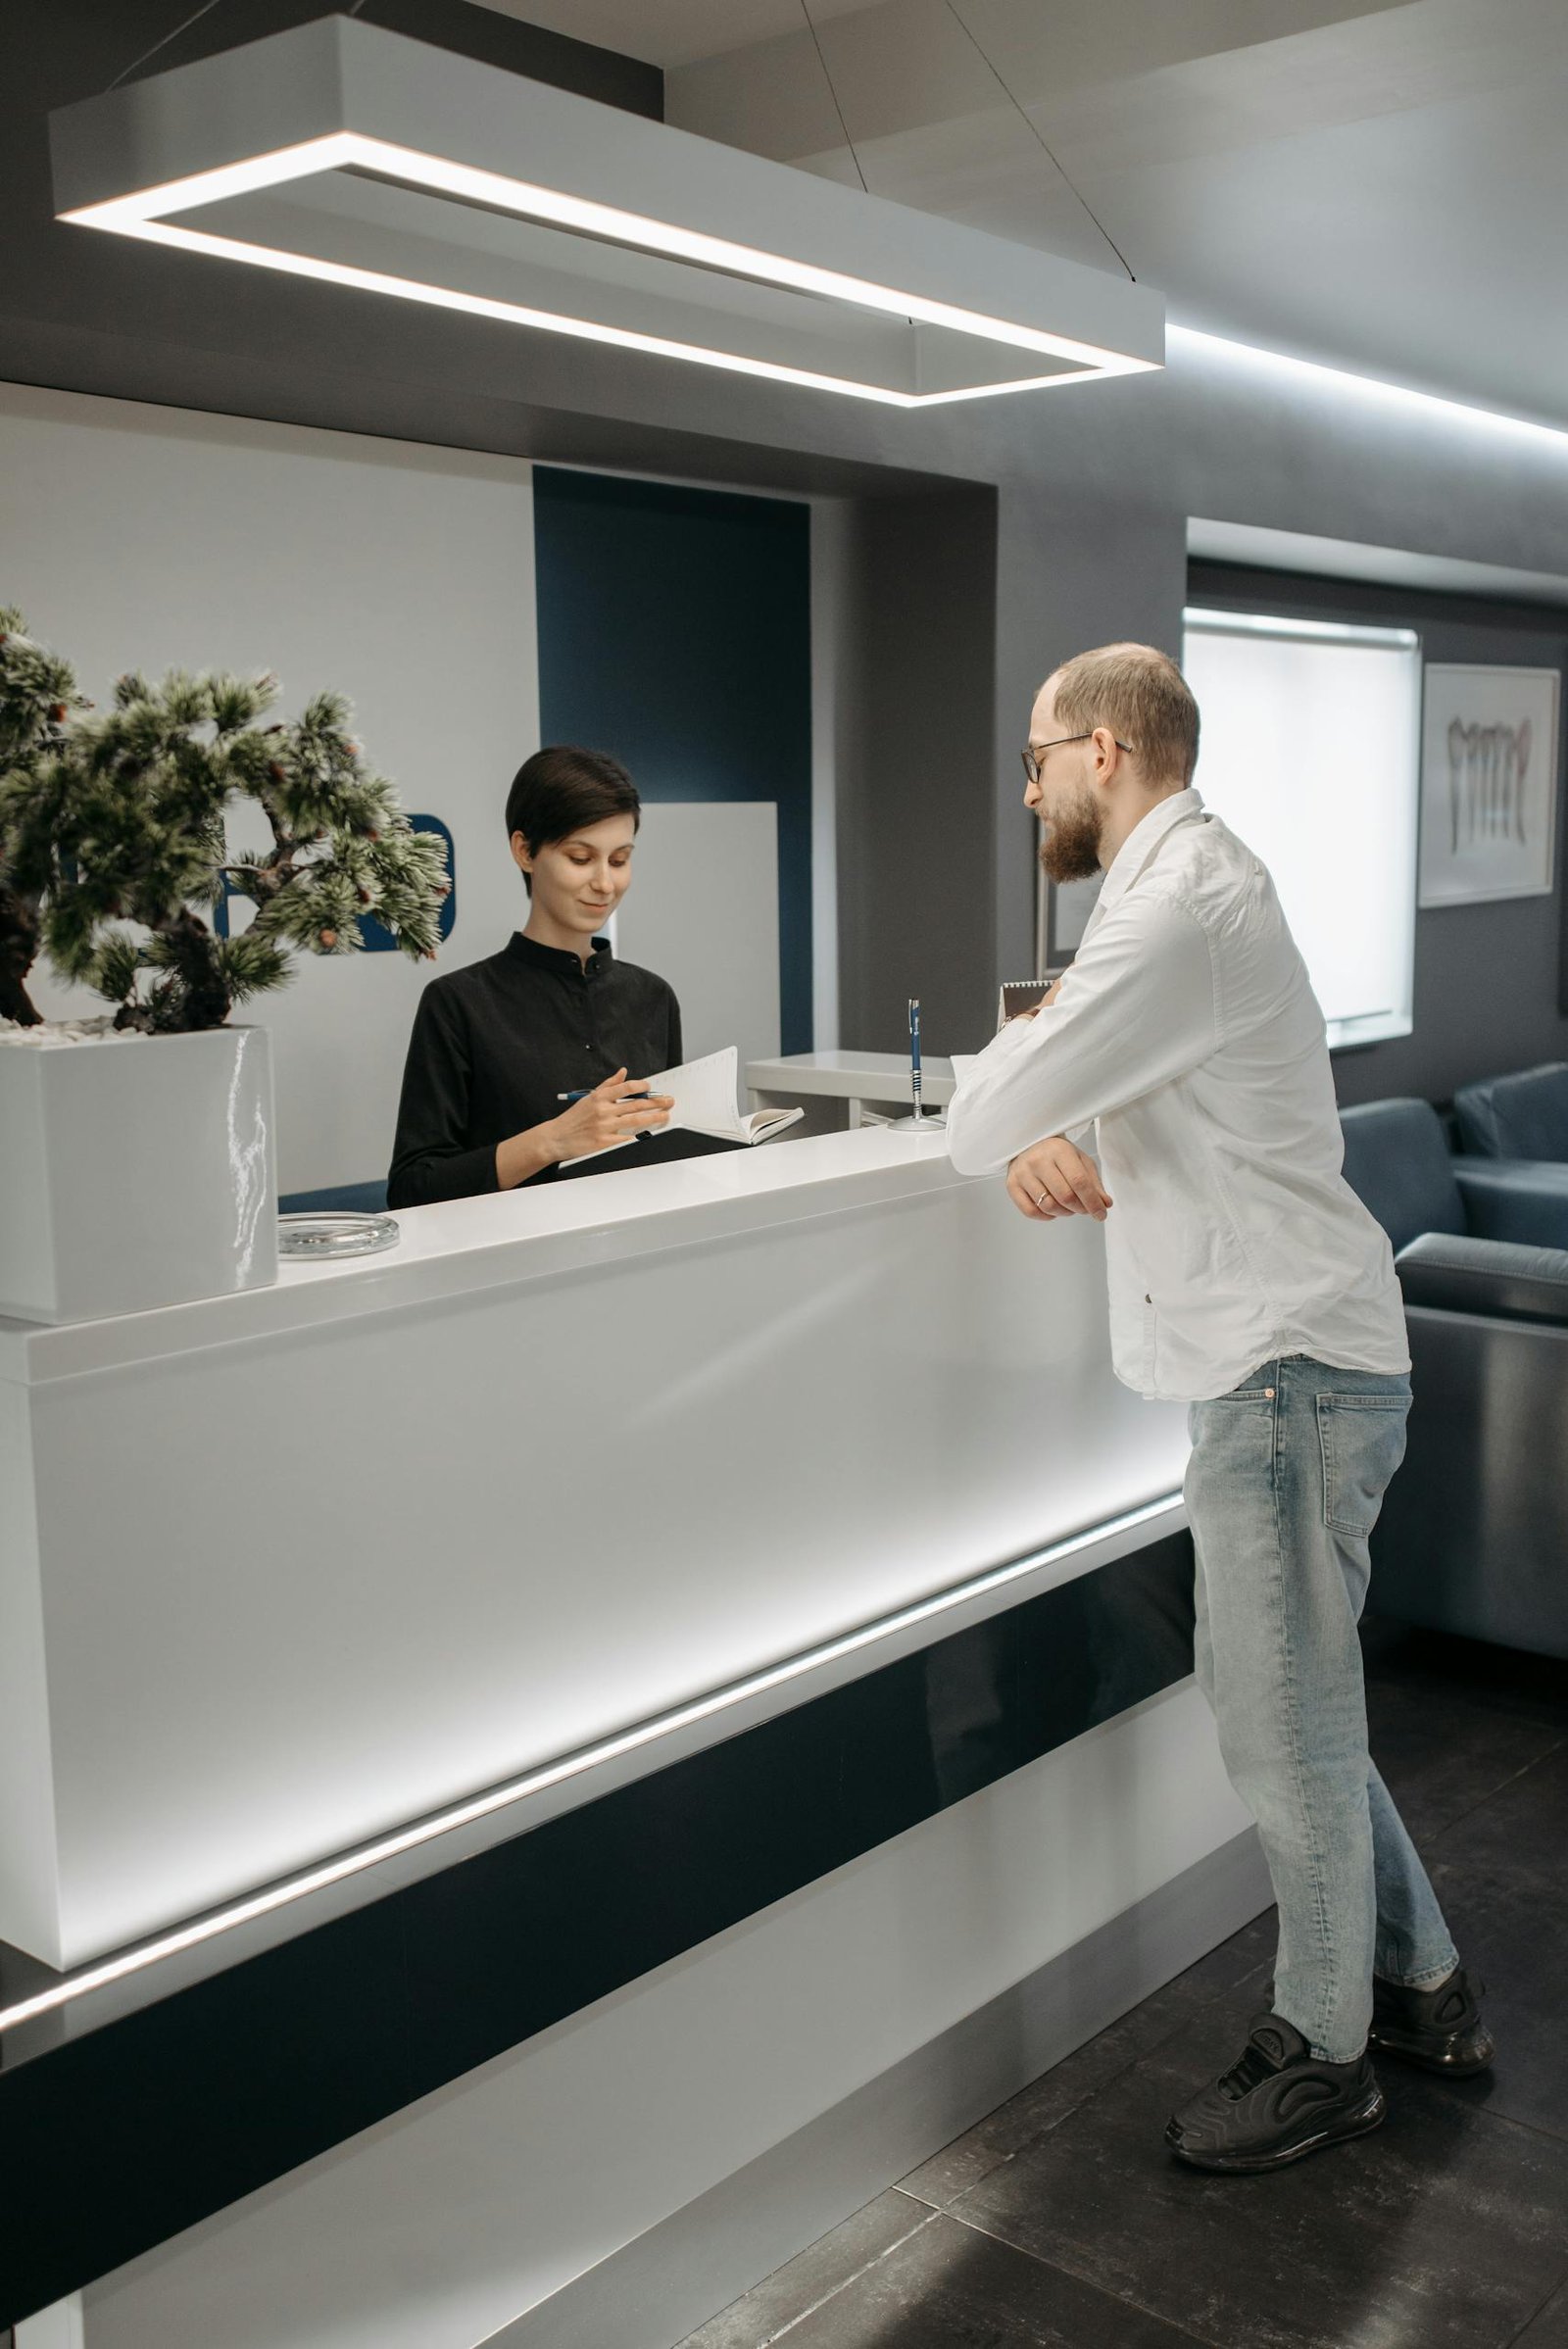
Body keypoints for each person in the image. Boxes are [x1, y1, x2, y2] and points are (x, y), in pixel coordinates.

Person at [945, 642, 1493, 2176]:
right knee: (1304, 1714)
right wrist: (1052, 1076)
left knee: (1280, 1729)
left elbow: (980, 1111)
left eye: (1039, 754)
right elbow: (1052, 1078)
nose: (1031, 784)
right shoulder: (1173, 894)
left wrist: (1031, 1088)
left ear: (1107, 749)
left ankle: (1324, 2056)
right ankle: (1425, 1987)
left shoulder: (1176, 903)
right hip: (1287, 1360)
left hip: (1284, 1373)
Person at [387, 746, 688, 1208]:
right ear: (525, 851)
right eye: (581, 857)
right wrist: (553, 1141)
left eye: (619, 859)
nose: (605, 883)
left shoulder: (654, 997)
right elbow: (413, 1189)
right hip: (513, 1268)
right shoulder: (458, 1003)